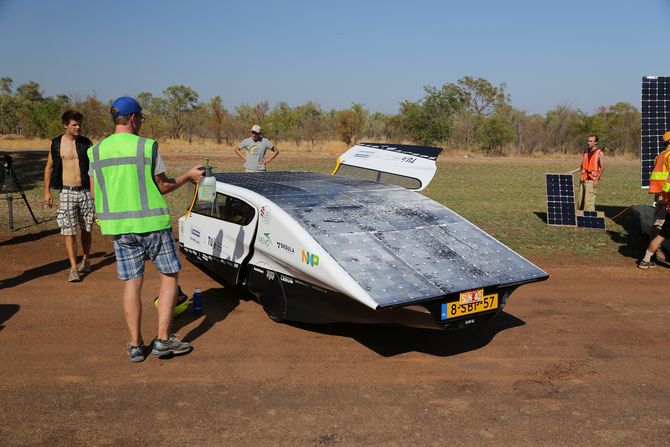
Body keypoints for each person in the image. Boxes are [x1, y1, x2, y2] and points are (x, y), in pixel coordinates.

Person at [87, 96, 204, 362]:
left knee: (132, 282)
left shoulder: (95, 151)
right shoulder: (146, 147)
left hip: (119, 227)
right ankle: (163, 340)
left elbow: (95, 193)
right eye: (140, 118)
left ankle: (136, 345)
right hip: (152, 223)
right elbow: (163, 187)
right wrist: (188, 176)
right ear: (132, 119)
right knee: (170, 275)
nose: (140, 122)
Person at [43, 110, 95, 282]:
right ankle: (74, 267)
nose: (78, 127)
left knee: (86, 228)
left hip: (85, 191)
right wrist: (47, 191)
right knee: (68, 230)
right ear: (65, 125)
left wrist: (95, 194)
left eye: (79, 124)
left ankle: (86, 259)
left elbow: (94, 170)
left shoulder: (86, 143)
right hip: (67, 192)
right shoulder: (56, 143)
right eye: (74, 124)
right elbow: (49, 168)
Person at [638, 131, 670, 269]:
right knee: (661, 228)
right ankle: (651, 255)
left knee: (658, 225)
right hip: (667, 195)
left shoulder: (660, 156)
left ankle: (650, 254)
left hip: (660, 194)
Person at [567, 135, 605, 211]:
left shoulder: (599, 153)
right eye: (588, 141)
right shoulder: (586, 152)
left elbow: (603, 167)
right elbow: (582, 167)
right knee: (580, 202)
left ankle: (590, 220)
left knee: (588, 204)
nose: (588, 142)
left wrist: (596, 180)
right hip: (583, 180)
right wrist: (571, 172)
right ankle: (581, 219)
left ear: (596, 142)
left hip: (592, 181)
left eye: (591, 141)